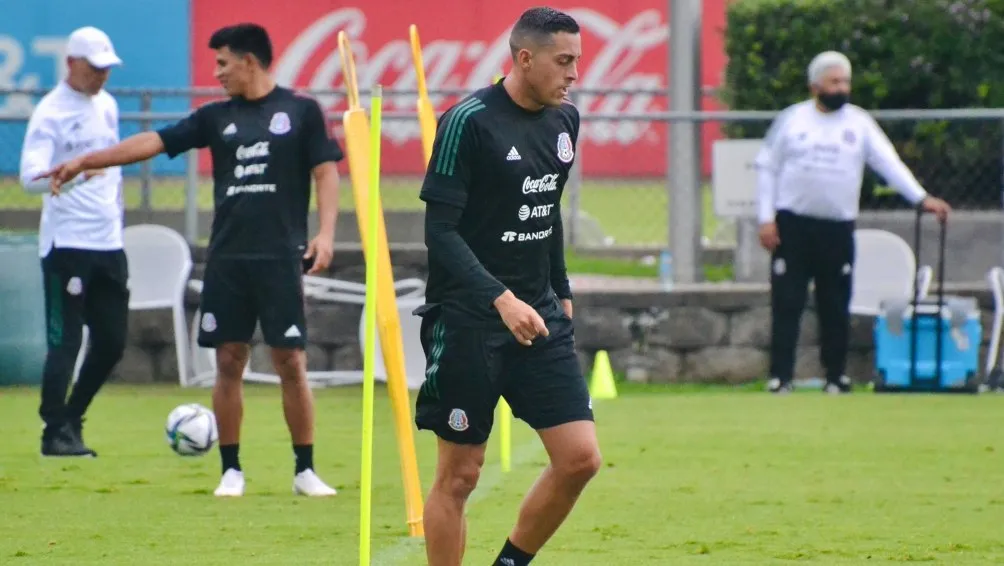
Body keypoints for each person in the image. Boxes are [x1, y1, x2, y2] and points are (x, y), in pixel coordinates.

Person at [36, 23, 343, 497]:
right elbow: (154, 142)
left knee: (290, 360)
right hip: (228, 259)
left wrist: (324, 234)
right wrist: (86, 160)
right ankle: (231, 471)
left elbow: (325, 171)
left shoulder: (301, 111)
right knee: (228, 359)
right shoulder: (215, 117)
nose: (217, 72)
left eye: (223, 63)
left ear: (249, 61)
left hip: (280, 258)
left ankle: (305, 469)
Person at [413, 7, 601, 566]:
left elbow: (546, 209)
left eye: (577, 61)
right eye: (563, 61)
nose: (573, 75)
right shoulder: (466, 121)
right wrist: (502, 299)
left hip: (539, 316)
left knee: (580, 459)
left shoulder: (564, 120)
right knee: (460, 475)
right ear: (525, 58)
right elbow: (439, 232)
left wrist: (559, 288)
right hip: (470, 320)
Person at [755, 50, 952, 395]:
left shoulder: (859, 123)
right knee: (788, 301)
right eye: (834, 81)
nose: (841, 88)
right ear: (815, 85)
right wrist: (765, 218)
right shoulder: (792, 120)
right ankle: (780, 376)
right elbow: (766, 168)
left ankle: (835, 376)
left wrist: (921, 199)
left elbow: (888, 163)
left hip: (837, 227)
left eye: (845, 81)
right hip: (793, 225)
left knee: (835, 302)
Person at [19, 26, 128, 458]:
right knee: (66, 342)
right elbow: (29, 178)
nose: (102, 76)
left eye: (107, 68)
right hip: (68, 245)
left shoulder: (109, 105)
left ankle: (73, 417)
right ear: (71, 64)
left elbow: (116, 167)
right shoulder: (50, 113)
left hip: (108, 242)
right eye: (95, 68)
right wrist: (78, 173)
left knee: (113, 341)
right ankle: (53, 431)